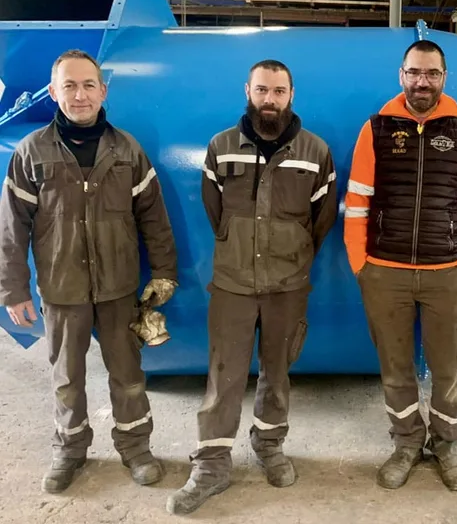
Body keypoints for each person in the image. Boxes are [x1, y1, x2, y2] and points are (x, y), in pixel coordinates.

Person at [0, 49, 179, 493]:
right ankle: (70, 450)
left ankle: (136, 448)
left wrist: (164, 272)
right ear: (53, 91)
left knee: (128, 375)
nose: (79, 95)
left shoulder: (127, 150)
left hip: (119, 287)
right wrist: (13, 290)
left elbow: (154, 217)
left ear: (103, 90)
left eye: (87, 85)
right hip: (61, 289)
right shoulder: (32, 151)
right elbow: (11, 227)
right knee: (66, 378)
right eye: (69, 86)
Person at [167, 59, 337, 515]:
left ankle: (269, 445)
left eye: (279, 91)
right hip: (233, 283)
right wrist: (238, 244)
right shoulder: (221, 146)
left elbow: (321, 220)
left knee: (277, 373)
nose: (269, 100)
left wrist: (293, 249)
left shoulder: (315, 151)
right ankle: (212, 464)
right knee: (223, 376)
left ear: (291, 95)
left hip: (288, 284)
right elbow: (216, 212)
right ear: (248, 91)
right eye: (262, 90)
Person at [344, 40, 457, 492]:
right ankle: (407, 444)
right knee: (396, 369)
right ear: (402, 75)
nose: (422, 81)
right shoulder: (375, 129)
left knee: (450, 371)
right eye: (414, 72)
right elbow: (356, 202)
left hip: (447, 275)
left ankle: (447, 447)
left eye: (431, 73)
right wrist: (361, 265)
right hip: (384, 273)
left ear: (444, 78)